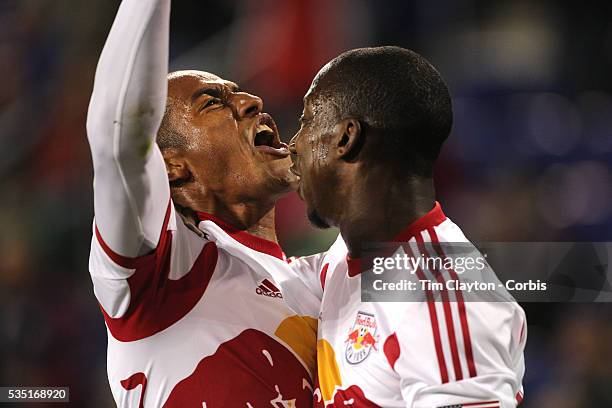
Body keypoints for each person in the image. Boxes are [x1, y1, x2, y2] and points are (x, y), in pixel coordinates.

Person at [86, 0, 321, 406]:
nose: (252, 101)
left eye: (240, 93)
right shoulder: (163, 274)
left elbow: (450, 282)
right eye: (213, 103)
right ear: (170, 167)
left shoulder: (324, 280)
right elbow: (118, 135)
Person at [289, 46, 526, 407]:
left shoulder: (440, 298)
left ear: (345, 138)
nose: (294, 145)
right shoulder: (345, 259)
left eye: (306, 121)